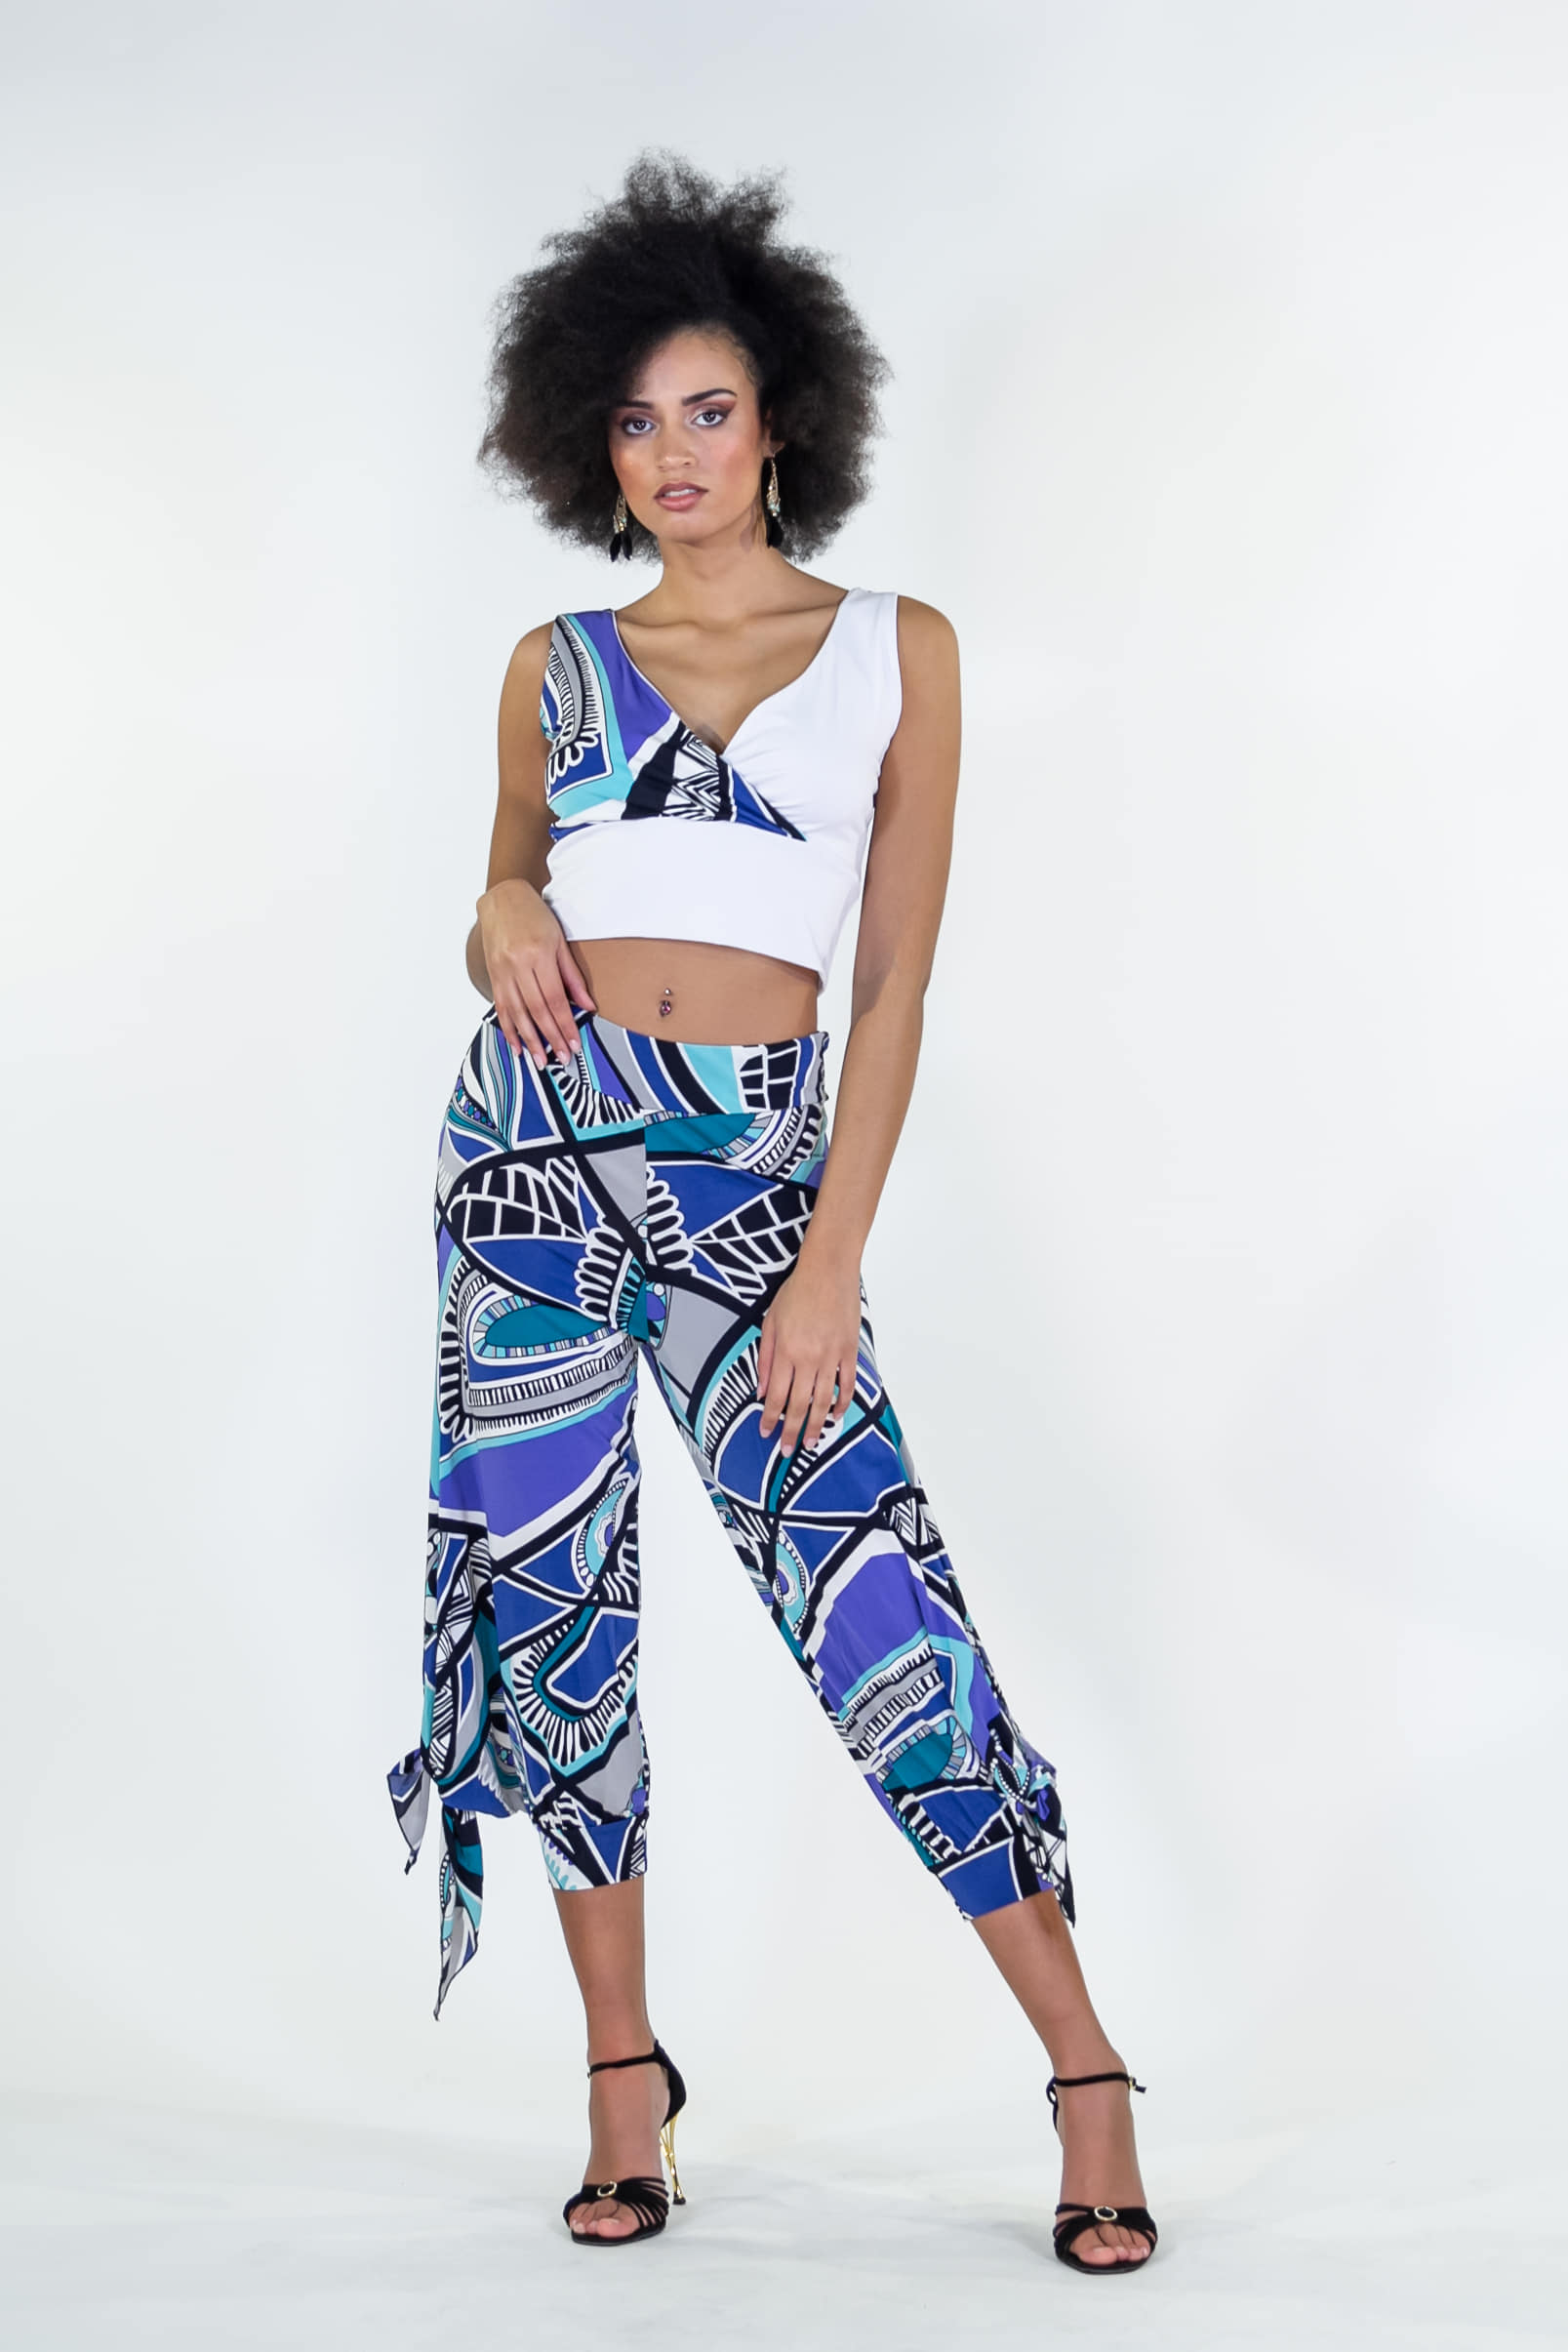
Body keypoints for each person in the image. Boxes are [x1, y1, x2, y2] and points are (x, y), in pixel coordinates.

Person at [387, 153, 1157, 2275]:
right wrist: (499, 907)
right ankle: (621, 2078)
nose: (675, 455)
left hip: (754, 1177)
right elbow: (502, 893)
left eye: (709, 411)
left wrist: (828, 1262)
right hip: (530, 1159)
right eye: (637, 420)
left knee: (874, 1601)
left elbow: (892, 982)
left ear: (782, 417)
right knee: (554, 1614)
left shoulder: (897, 650)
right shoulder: (556, 661)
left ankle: (1087, 2069)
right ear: (591, 440)